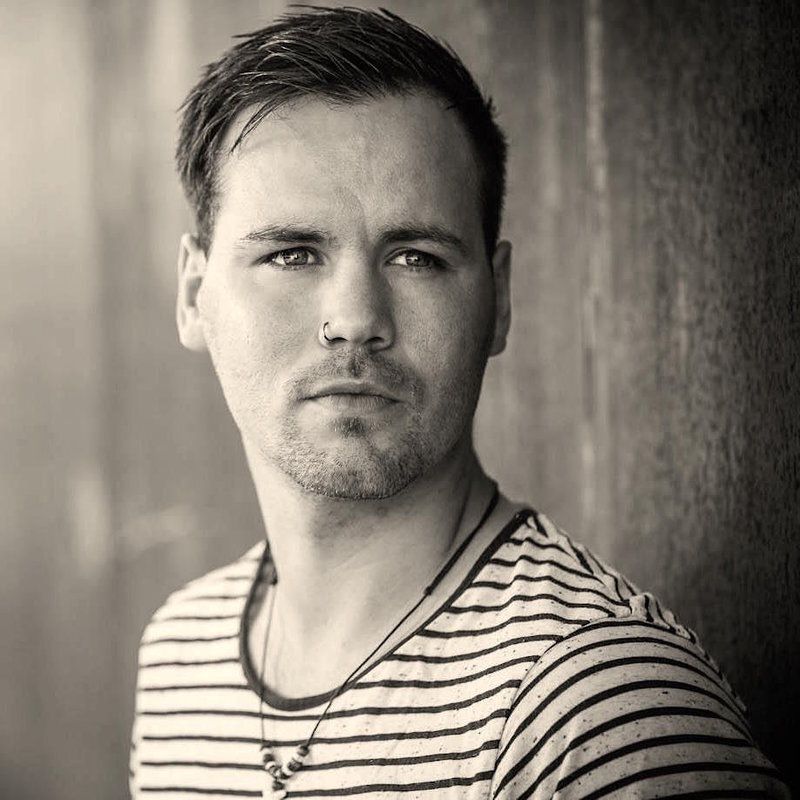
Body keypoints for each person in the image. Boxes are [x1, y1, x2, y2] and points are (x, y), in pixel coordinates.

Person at [129, 7, 788, 799]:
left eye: (416, 257)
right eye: (292, 253)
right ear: (194, 294)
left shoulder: (599, 706)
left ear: (498, 301)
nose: (356, 319)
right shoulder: (181, 660)